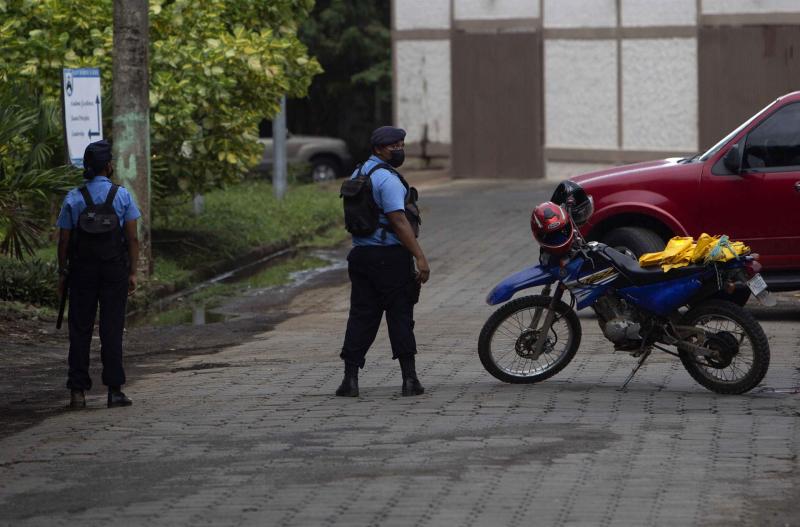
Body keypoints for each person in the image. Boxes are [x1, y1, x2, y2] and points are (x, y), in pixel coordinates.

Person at [336, 126, 430, 397]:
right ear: (378, 148)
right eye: (393, 146)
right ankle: (410, 380)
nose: (399, 150)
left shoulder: (359, 173)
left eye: (401, 144)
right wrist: (420, 257)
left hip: (361, 256)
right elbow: (399, 221)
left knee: (361, 316)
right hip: (390, 258)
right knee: (400, 315)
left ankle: (350, 380)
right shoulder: (387, 179)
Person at [56, 140, 141, 409]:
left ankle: (77, 392)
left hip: (82, 271)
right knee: (112, 328)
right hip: (114, 270)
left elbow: (64, 241)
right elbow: (132, 239)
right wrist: (133, 272)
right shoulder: (122, 196)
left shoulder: (73, 197)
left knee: (80, 329)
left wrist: (63, 273)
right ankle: (114, 391)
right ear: (108, 166)